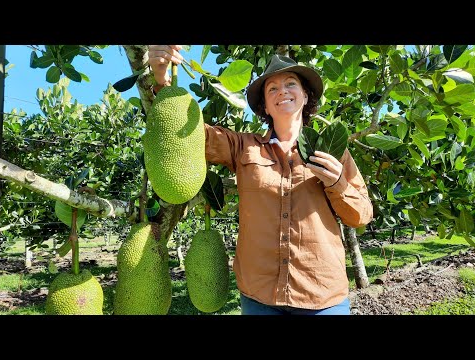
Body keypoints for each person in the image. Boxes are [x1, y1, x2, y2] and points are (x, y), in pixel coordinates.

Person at [148, 45, 373, 315]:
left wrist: (337, 182)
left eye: (291, 84)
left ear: (305, 95)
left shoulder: (332, 151)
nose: (282, 92)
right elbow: (191, 133)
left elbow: (361, 216)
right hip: (259, 296)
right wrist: (162, 82)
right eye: (272, 89)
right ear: (265, 105)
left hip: (321, 294)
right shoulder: (245, 147)